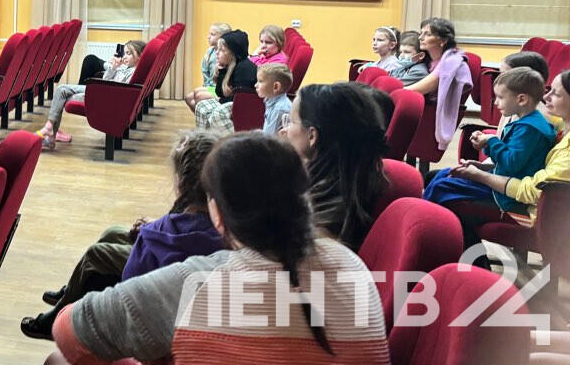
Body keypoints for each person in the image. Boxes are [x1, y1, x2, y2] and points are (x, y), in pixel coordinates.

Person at [46, 133, 388, 365]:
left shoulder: (203, 279)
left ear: (218, 215)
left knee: (57, 359)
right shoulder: (351, 262)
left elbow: (68, 330)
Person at [19, 131, 223, 340]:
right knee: (113, 232)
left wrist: (147, 233)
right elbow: (181, 230)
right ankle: (73, 289)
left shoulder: (171, 224)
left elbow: (135, 273)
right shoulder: (220, 213)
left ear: (182, 182)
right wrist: (151, 228)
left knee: (96, 254)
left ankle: (57, 317)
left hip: (160, 278)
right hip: (182, 266)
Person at [425, 67, 554, 214]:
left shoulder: (529, 128)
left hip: (504, 195)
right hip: (500, 178)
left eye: (500, 97)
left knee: (442, 186)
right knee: (444, 174)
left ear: (522, 99)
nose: (496, 102)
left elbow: (512, 164)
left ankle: (426, 218)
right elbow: (509, 158)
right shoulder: (526, 122)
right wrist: (484, 152)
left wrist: (491, 140)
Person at [452, 70, 570, 229]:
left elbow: (532, 191)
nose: (546, 97)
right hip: (519, 194)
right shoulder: (561, 124)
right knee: (441, 180)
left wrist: (480, 175)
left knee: (448, 193)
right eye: (549, 90)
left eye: (556, 94)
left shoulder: (546, 135)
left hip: (538, 217)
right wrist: (485, 163)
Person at [281, 82, 388, 249]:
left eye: (291, 121)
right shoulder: (355, 178)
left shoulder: (319, 225)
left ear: (312, 136)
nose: (284, 130)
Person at [39, 40, 143, 151]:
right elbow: (106, 79)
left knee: (62, 95)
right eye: (124, 53)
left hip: (102, 96)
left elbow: (120, 90)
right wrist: (113, 67)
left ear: (140, 56)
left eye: (129, 53)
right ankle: (50, 130)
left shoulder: (133, 72)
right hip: (102, 91)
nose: (124, 56)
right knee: (61, 91)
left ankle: (51, 132)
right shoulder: (126, 68)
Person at [405, 17, 473, 151]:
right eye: (421, 33)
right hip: (423, 109)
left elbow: (416, 89)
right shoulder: (427, 59)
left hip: (429, 115)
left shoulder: (450, 62)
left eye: (427, 34)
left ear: (443, 41)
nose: (420, 38)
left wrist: (390, 91)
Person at [192, 30, 257, 133]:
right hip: (233, 103)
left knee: (219, 113)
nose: (217, 53)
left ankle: (228, 140)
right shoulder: (229, 65)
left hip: (247, 108)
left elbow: (240, 100)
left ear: (233, 53)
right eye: (217, 49)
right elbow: (220, 93)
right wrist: (221, 72)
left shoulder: (244, 69)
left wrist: (221, 100)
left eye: (222, 50)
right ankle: (206, 139)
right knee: (201, 106)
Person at [256, 62, 293, 135]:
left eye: (260, 81)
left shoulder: (279, 109)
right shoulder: (271, 101)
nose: (255, 85)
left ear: (276, 87)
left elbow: (270, 138)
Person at [199, 22, 233, 89]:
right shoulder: (209, 52)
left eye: (212, 34)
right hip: (209, 87)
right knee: (194, 93)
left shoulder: (227, 54)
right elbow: (205, 72)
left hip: (220, 89)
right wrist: (206, 87)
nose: (208, 37)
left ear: (222, 37)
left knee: (197, 93)